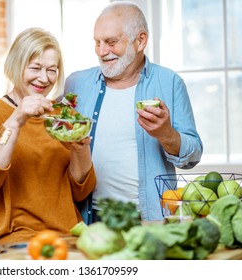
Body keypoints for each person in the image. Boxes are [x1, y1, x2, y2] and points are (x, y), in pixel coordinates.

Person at [65, 1, 203, 222]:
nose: (102, 51)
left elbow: (192, 156)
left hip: (148, 219)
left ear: (140, 41)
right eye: (97, 42)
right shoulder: (76, 84)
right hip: (88, 218)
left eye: (111, 42)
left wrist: (166, 134)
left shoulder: (169, 82)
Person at [0, 28, 96, 245]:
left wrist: (80, 149)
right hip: (15, 237)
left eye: (52, 70)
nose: (44, 79)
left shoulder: (64, 117)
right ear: (15, 65)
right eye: (35, 68)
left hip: (66, 235)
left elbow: (80, 192)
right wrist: (16, 119)